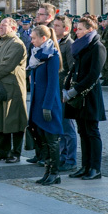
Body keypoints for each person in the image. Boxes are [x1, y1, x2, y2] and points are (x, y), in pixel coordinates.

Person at [63, 15, 106, 180]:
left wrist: (74, 91)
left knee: (92, 132)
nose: (77, 31)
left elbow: (93, 75)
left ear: (90, 30)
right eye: (77, 28)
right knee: (82, 131)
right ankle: (85, 166)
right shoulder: (81, 46)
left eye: (80, 29)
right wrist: (66, 88)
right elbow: (74, 70)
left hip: (90, 95)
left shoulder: (97, 47)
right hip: (78, 96)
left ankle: (95, 168)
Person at [0, 17, 28, 163]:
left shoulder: (17, 44)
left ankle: (15, 152)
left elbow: (7, 65)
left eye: (4, 25)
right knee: (0, 119)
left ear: (13, 28)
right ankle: (2, 151)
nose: (0, 27)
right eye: (0, 25)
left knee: (14, 120)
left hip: (12, 88)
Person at [28, 25, 64, 185]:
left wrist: (47, 106)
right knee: (43, 140)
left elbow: (52, 84)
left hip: (48, 104)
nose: (32, 41)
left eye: (34, 38)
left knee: (52, 140)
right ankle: (47, 171)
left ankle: (55, 173)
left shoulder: (52, 56)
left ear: (43, 38)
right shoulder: (36, 55)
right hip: (38, 103)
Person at [53, 16, 77, 172]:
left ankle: (71, 159)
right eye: (54, 25)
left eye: (57, 25)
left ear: (66, 29)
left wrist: (67, 90)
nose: (54, 28)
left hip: (64, 90)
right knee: (59, 126)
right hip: (55, 89)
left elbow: (72, 69)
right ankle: (62, 156)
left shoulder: (69, 44)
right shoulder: (57, 42)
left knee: (67, 127)